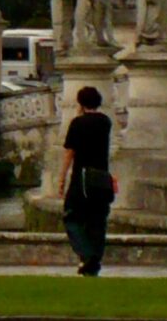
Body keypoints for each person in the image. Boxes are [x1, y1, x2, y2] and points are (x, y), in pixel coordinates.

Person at [57, 83, 114, 276]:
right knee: (97, 219)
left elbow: (69, 153)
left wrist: (61, 178)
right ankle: (95, 258)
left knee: (72, 216)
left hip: (82, 177)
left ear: (80, 103)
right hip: (102, 176)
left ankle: (86, 254)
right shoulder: (105, 122)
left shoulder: (77, 123)